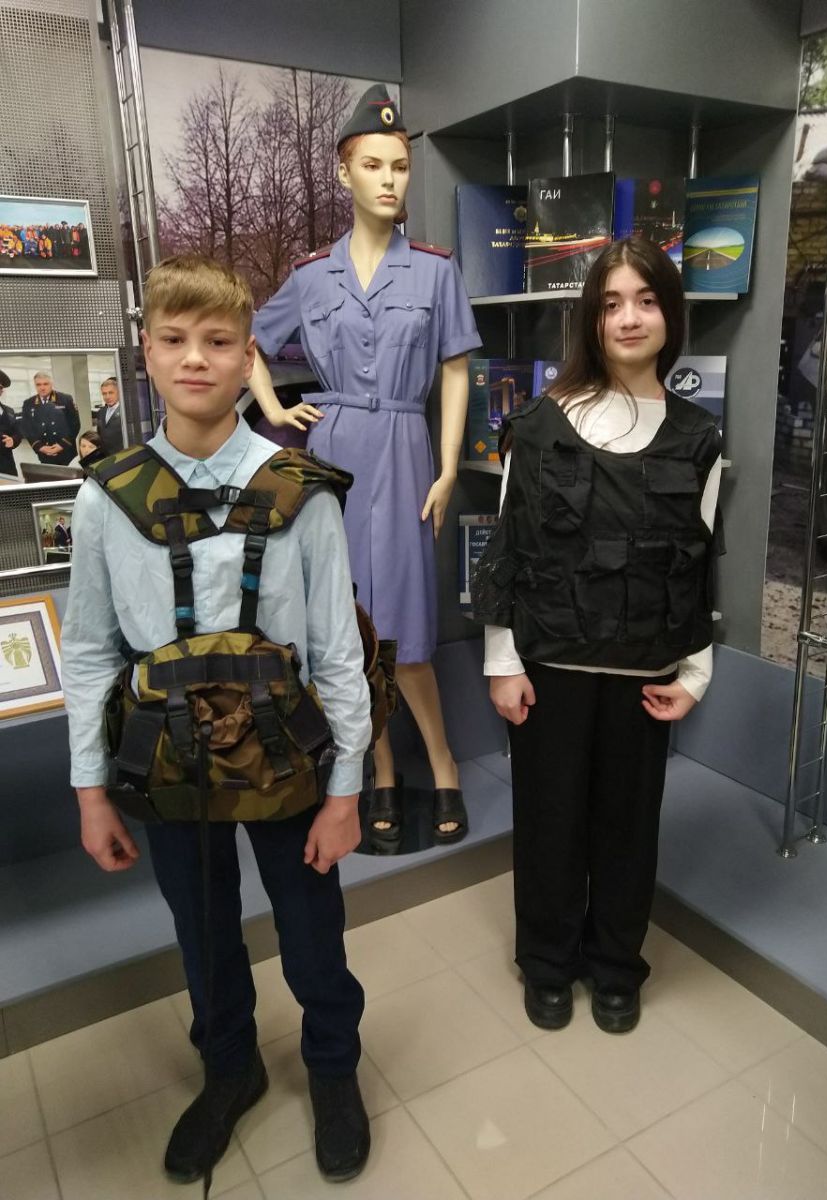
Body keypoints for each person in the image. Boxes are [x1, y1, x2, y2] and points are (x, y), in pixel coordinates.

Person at [60, 255, 373, 1186]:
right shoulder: (105, 496)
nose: (196, 358)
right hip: (165, 762)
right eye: (174, 339)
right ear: (148, 355)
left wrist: (346, 793)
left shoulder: (302, 492)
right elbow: (90, 653)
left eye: (219, 341)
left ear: (248, 360)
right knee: (203, 935)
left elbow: (338, 655)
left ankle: (333, 1070)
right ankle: (229, 1069)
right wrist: (90, 789)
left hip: (289, 760)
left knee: (312, 935)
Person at [472, 238, 723, 1035]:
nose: (629, 318)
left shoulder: (699, 436)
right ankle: (548, 963)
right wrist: (502, 661)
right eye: (612, 303)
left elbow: (699, 563)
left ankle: (617, 965)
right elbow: (508, 549)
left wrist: (696, 674)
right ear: (591, 319)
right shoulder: (541, 424)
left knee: (628, 829)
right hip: (550, 667)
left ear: (670, 314)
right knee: (549, 824)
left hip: (644, 673)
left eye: (646, 300)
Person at [248, 84, 482, 846]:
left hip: (407, 447)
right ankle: (377, 770)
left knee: (407, 630)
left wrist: (448, 467)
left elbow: (455, 369)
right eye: (374, 165)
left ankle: (442, 763)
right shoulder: (312, 275)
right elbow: (248, 342)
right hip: (335, 449)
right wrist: (277, 409)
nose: (389, 179)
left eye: (401, 166)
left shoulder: (436, 271)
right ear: (343, 173)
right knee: (349, 630)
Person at [20, 371, 79, 464]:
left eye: (45, 384)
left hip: (66, 451)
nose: (42, 388)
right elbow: (27, 428)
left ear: (51, 384)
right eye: (38, 384)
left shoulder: (65, 399)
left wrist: (62, 445)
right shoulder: (28, 403)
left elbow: (75, 425)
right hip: (44, 452)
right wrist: (40, 447)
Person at [93, 374, 124, 454]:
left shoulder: (125, 411)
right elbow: (99, 435)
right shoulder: (101, 412)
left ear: (118, 393)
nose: (107, 397)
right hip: (105, 455)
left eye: (111, 393)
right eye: (104, 393)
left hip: (121, 454)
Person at [0, 369, 22, 477]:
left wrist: (13, 440)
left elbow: (18, 433)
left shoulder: (9, 411)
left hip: (8, 466)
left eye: (0, 388)